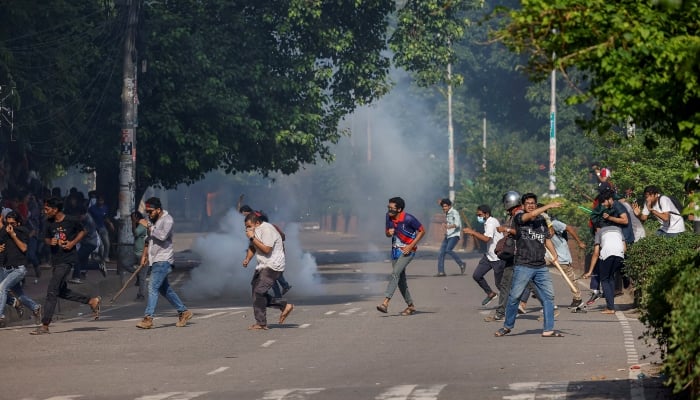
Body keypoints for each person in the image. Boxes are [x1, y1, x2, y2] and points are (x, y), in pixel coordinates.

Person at [495, 193, 563, 338]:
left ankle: (548, 329)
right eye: (528, 203)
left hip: (540, 266)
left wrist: (554, 254)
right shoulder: (520, 218)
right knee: (514, 297)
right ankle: (507, 326)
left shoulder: (541, 220)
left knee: (548, 297)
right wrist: (548, 206)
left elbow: (546, 238)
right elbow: (529, 215)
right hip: (523, 265)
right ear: (523, 206)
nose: (531, 205)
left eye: (533, 203)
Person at [32, 197, 102, 335]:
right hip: (56, 260)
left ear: (55, 209)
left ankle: (45, 325)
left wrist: (72, 243)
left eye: (47, 209)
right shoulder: (49, 222)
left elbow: (83, 231)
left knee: (52, 290)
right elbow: (44, 238)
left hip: (67, 260)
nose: (45, 211)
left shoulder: (71, 220)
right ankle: (91, 301)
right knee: (61, 291)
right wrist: (49, 241)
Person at [136, 197, 193, 329]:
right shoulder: (153, 220)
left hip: (163, 259)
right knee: (164, 289)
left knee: (152, 287)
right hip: (154, 259)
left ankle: (148, 318)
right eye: (147, 212)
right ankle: (183, 311)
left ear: (158, 210)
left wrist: (149, 226)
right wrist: (144, 256)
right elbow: (148, 240)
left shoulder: (168, 220)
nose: (149, 214)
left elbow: (162, 236)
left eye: (151, 211)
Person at [242, 212, 294, 330]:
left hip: (273, 265)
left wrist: (252, 237)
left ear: (257, 223)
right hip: (263, 265)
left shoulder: (267, 230)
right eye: (246, 227)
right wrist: (247, 259)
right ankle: (284, 305)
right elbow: (252, 247)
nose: (247, 229)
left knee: (259, 292)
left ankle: (261, 323)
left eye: (249, 226)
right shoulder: (255, 232)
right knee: (256, 292)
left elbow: (266, 249)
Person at [376, 197, 425, 316]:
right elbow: (387, 233)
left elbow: (422, 230)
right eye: (388, 207)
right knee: (400, 280)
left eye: (392, 208)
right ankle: (411, 306)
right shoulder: (388, 217)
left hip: (408, 251)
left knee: (395, 274)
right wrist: (389, 233)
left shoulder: (408, 219)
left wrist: (411, 245)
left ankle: (385, 303)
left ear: (399, 209)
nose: (389, 210)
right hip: (395, 252)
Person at [239, 202, 292, 297]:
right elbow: (253, 245)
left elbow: (279, 239)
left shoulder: (269, 229)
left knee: (271, 276)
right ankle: (279, 294)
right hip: (268, 259)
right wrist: (248, 257)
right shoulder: (256, 229)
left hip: (273, 257)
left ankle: (280, 293)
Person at [0, 211, 42, 327]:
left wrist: (13, 234)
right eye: (7, 223)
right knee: (20, 295)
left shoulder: (22, 231)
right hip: (5, 268)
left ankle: (1, 316)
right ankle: (35, 307)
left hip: (18, 269)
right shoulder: (4, 231)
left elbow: (24, 248)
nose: (9, 226)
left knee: (2, 288)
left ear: (18, 223)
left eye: (12, 223)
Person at [463, 204, 503, 306]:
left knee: (500, 284)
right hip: (489, 256)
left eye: (480, 215)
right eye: (477, 215)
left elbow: (486, 239)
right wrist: (474, 233)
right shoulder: (487, 222)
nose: (479, 217)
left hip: (497, 257)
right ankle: (490, 293)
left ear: (487, 214)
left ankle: (509, 305)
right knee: (477, 275)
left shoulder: (491, 222)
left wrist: (472, 232)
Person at [583, 222, 625, 314]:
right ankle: (610, 306)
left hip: (607, 255)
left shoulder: (599, 232)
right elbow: (624, 247)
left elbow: (596, 253)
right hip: (620, 255)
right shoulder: (618, 230)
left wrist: (589, 271)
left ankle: (610, 308)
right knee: (611, 278)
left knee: (605, 280)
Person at [547, 215, 586, 308]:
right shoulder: (536, 225)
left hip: (561, 255)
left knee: (569, 277)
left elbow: (569, 229)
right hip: (547, 254)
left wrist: (579, 242)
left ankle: (577, 298)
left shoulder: (554, 223)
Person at [68, 206, 107, 284]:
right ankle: (94, 267)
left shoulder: (88, 221)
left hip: (90, 244)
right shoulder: (86, 217)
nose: (79, 218)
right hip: (86, 242)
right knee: (83, 261)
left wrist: (73, 241)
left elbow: (83, 233)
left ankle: (76, 277)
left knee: (77, 258)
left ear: (83, 214)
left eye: (79, 216)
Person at [435, 198, 465, 276]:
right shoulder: (447, 212)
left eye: (445, 206)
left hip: (454, 235)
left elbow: (457, 224)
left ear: (449, 206)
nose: (444, 208)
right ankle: (441, 272)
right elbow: (444, 204)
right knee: (441, 253)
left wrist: (448, 226)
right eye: (443, 207)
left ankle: (461, 263)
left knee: (448, 250)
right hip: (448, 235)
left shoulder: (454, 212)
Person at [88, 194, 114, 263]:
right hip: (95, 228)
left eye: (102, 200)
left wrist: (110, 223)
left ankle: (106, 257)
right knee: (100, 244)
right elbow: (88, 217)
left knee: (107, 243)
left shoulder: (105, 207)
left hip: (103, 227)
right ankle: (100, 258)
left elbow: (105, 217)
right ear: (97, 200)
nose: (100, 202)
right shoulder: (92, 208)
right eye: (99, 200)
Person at [131, 211, 148, 300]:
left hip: (142, 254)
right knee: (127, 264)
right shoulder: (140, 224)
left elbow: (136, 233)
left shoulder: (142, 224)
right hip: (137, 253)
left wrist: (134, 222)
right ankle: (137, 275)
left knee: (142, 277)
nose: (132, 220)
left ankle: (141, 294)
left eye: (133, 218)